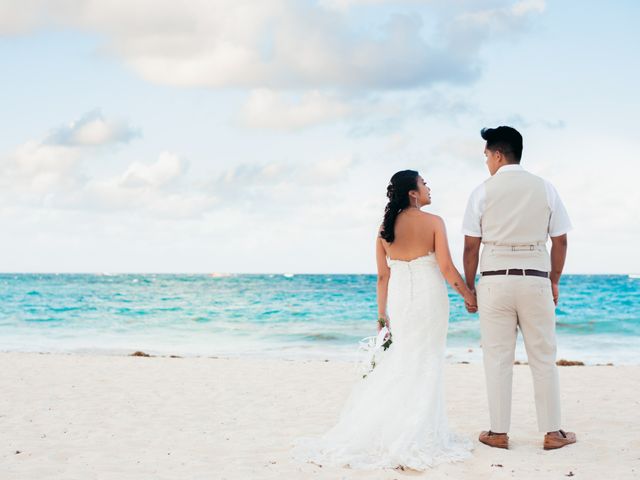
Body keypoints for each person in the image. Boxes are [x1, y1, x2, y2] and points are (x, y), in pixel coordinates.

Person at [291, 170, 475, 470]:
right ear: (413, 193)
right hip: (429, 298)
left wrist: (381, 315)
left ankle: (391, 428)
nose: (428, 187)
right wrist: (468, 295)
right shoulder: (434, 222)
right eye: (424, 183)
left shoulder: (383, 229)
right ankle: (418, 432)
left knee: (404, 360)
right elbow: (445, 267)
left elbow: (382, 276)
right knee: (427, 360)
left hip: (401, 300)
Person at [462, 126, 577, 450]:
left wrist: (470, 287)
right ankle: (553, 433)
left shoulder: (482, 191)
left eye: (487, 155)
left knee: (497, 357)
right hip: (535, 277)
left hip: (495, 279)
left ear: (498, 154)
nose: (486, 162)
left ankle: (498, 432)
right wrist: (554, 280)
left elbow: (472, 247)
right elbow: (561, 239)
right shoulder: (545, 188)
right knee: (543, 356)